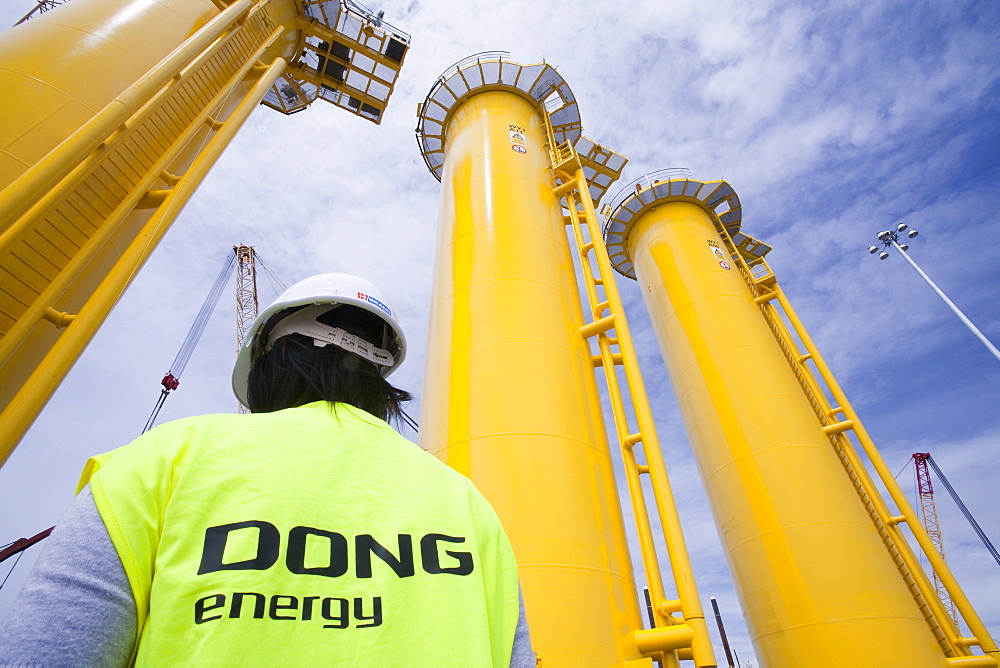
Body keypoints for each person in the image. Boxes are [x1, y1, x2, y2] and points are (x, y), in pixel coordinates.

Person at [0, 273, 533, 666]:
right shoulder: (468, 506)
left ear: (266, 365)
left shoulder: (162, 460)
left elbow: (47, 650)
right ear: (381, 379)